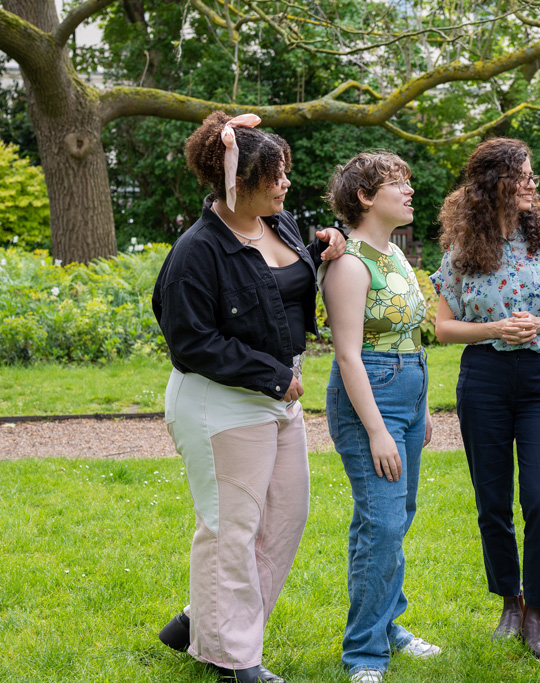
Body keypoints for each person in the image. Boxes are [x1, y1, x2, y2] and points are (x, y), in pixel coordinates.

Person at [153, 111, 345, 683]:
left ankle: (201, 619)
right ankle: (235, 659)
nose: (286, 183)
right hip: (220, 402)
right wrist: (271, 375)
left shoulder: (279, 225)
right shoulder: (197, 250)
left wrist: (324, 243)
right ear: (239, 181)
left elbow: (286, 276)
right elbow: (189, 341)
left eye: (285, 172)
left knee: (285, 518)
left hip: (275, 396)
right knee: (230, 529)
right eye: (275, 174)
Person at [430, 137, 540, 659]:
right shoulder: (462, 249)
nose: (531, 184)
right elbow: (444, 328)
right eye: (522, 176)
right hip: (485, 378)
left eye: (532, 176)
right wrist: (496, 327)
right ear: (493, 183)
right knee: (492, 501)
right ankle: (509, 602)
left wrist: (539, 324)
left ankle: (538, 612)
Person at [319, 152, 439, 683]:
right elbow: (347, 354)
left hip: (408, 391)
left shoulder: (394, 256)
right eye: (399, 183)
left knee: (392, 520)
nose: (410, 191)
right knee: (384, 524)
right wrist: (376, 431)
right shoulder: (348, 263)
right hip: (371, 397)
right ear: (366, 197)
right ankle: (364, 654)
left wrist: (422, 408)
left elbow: (412, 336)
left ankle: (389, 625)